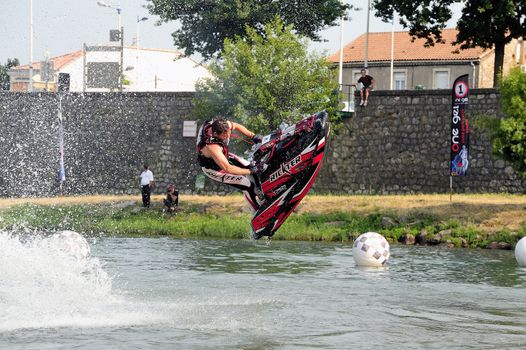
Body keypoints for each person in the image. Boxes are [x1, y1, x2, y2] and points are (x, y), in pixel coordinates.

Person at [196, 118, 264, 212]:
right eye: (224, 135)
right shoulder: (212, 147)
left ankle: (262, 195)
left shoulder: (221, 125)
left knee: (250, 166)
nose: (227, 136)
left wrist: (253, 136)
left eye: (227, 132)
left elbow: (236, 126)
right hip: (214, 170)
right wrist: (251, 171)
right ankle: (256, 211)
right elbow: (228, 168)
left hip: (223, 157)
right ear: (215, 134)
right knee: (247, 184)